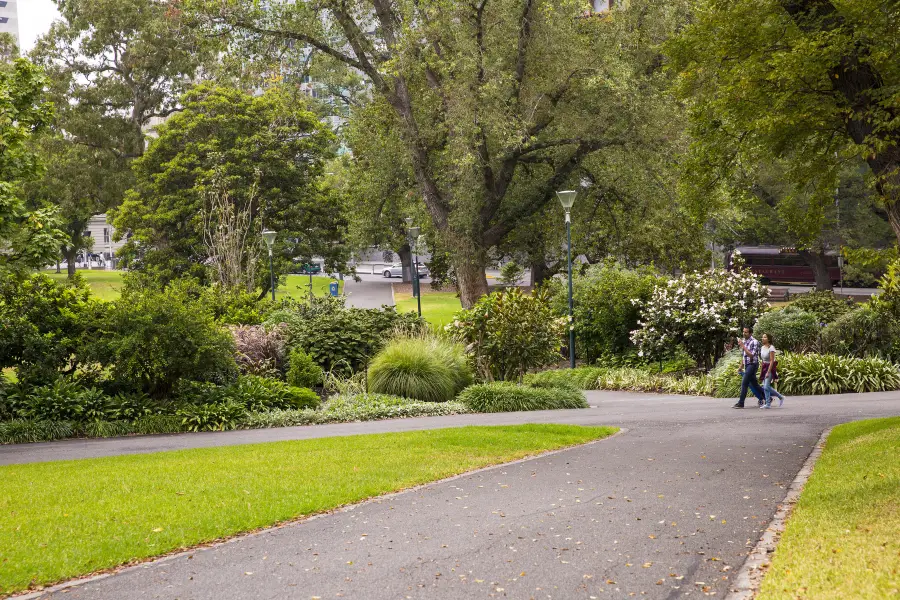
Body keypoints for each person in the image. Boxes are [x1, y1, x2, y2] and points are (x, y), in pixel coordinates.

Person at [733, 326, 766, 409]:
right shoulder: (744, 341)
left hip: (753, 364)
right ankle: (767, 397)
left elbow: (751, 354)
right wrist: (741, 366)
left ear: (750, 333)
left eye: (746, 332)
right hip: (747, 365)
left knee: (744, 383)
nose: (744, 333)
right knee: (755, 385)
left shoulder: (754, 342)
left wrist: (743, 346)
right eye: (743, 332)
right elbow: (745, 356)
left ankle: (741, 403)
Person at [759, 333, 785, 409]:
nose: (762, 338)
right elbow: (763, 360)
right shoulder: (762, 347)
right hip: (764, 367)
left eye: (764, 337)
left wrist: (768, 372)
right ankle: (768, 404)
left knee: (766, 386)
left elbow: (772, 361)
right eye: (762, 337)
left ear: (768, 339)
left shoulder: (771, 348)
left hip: (770, 367)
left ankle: (780, 397)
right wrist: (762, 371)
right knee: (765, 387)